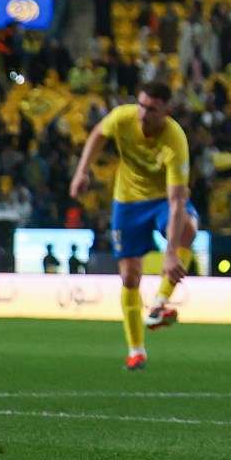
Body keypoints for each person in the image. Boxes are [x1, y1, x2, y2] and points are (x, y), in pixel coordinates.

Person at [69, 82, 200, 369]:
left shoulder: (175, 139)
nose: (143, 113)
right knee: (129, 275)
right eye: (141, 105)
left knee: (188, 231)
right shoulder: (122, 117)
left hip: (162, 200)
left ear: (166, 110)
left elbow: (177, 200)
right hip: (127, 201)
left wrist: (170, 253)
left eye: (151, 109)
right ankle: (136, 349)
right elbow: (97, 135)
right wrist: (82, 172)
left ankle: (159, 304)